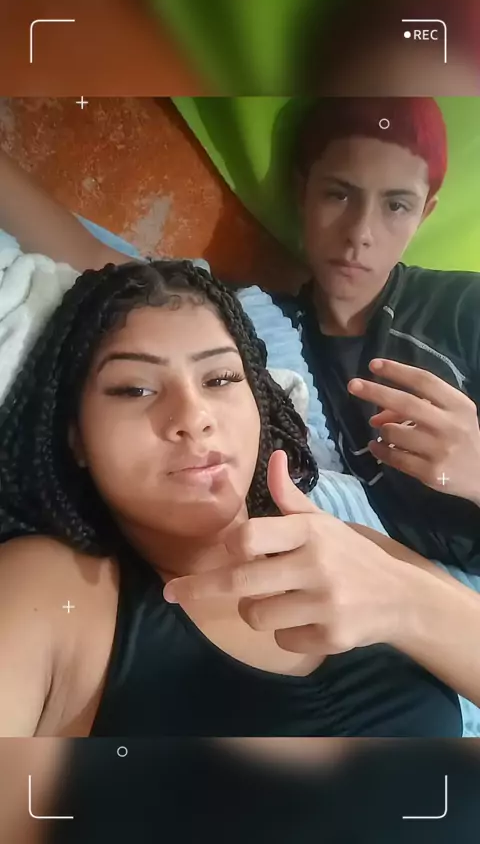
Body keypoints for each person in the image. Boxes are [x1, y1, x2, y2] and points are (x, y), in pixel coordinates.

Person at [1, 258, 480, 740]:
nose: (194, 416)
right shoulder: (48, 593)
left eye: (220, 379)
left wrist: (407, 605)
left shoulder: (350, 547)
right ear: (76, 438)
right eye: (136, 389)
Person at [237, 96, 480, 578]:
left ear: (424, 214)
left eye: (396, 205)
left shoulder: (465, 310)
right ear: (303, 191)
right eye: (339, 195)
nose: (360, 233)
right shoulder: (270, 335)